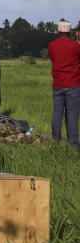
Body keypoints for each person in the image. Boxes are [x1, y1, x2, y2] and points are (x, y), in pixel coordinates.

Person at [48, 20, 80, 148]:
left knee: (57, 114)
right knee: (72, 115)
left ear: (58, 31)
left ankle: (56, 140)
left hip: (58, 83)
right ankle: (74, 143)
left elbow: (53, 59)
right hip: (73, 83)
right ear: (70, 32)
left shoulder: (51, 45)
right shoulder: (75, 46)